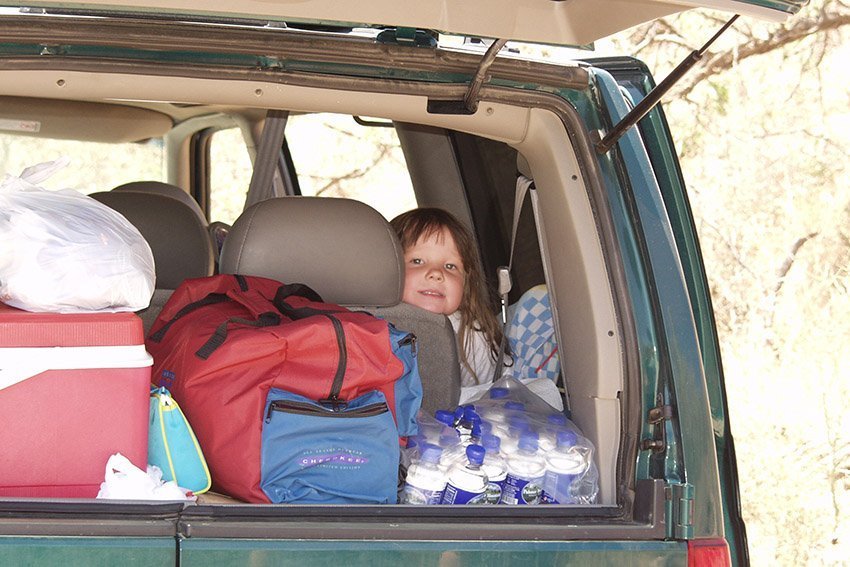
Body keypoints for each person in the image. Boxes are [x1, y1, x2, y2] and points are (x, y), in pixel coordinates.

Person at [390, 208, 503, 400]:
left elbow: (492, 397)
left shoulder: (470, 334)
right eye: (417, 261)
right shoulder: (366, 324)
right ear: (389, 267)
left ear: (465, 281)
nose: (436, 273)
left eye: (450, 266)